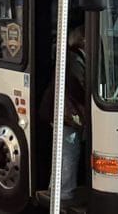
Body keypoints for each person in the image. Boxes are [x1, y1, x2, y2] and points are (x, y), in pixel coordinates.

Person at [40, 25, 86, 201]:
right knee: (68, 152)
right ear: (81, 40)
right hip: (67, 115)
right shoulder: (74, 59)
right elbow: (80, 85)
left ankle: (56, 189)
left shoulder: (72, 56)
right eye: (87, 37)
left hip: (64, 112)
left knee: (63, 151)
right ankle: (63, 192)